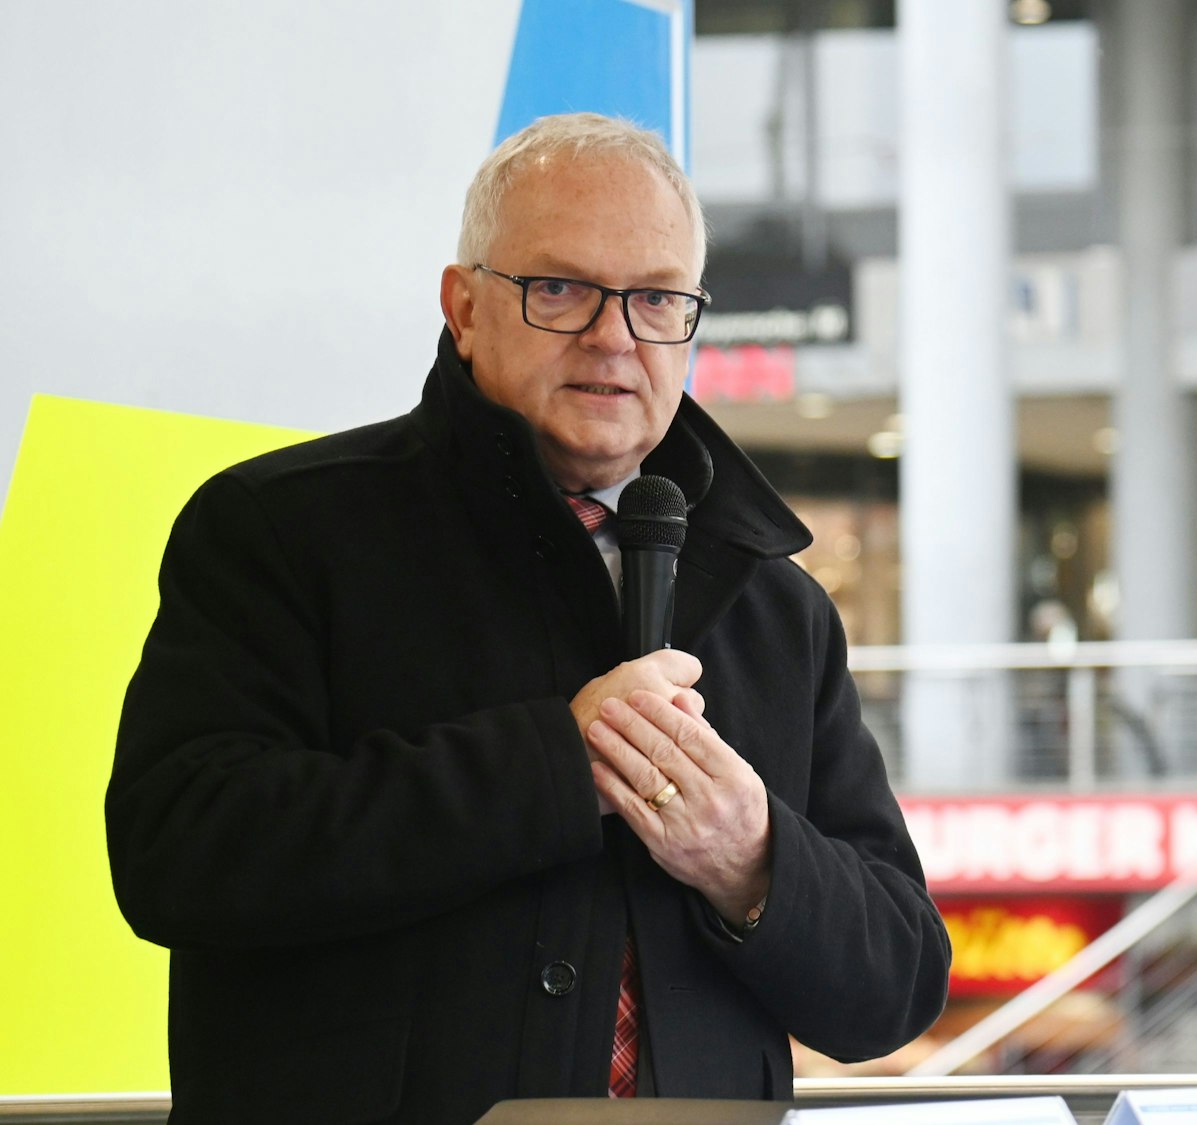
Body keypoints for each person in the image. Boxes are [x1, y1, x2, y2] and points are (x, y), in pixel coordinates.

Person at [104, 114, 950, 1124]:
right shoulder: (280, 530)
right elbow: (179, 855)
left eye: (655, 299)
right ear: (463, 308)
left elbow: (895, 988)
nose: (613, 336)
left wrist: (754, 859)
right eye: (559, 290)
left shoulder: (777, 604)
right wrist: (557, 764)